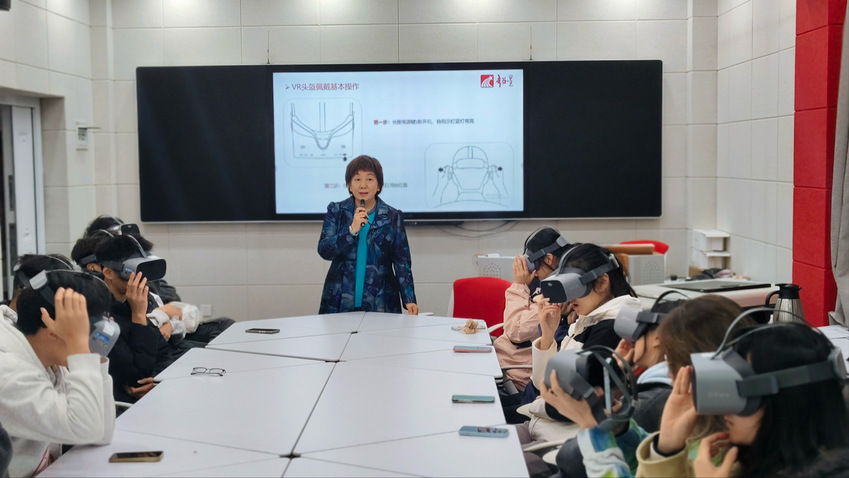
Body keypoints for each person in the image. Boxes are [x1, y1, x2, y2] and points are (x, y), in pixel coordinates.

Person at [547, 295, 748, 477]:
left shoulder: (717, 456)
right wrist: (624, 430)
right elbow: (643, 467)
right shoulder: (705, 430)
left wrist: (593, 428)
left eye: (672, 362)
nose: (669, 373)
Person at [516, 243, 641, 476]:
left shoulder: (612, 328)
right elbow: (542, 384)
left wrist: (535, 405)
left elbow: (567, 403)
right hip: (541, 426)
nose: (569, 298)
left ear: (602, 282)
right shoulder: (588, 319)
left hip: (560, 441)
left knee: (491, 461)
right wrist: (548, 334)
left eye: (575, 287)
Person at [0, 270, 115, 477]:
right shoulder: (8, 373)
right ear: (52, 330)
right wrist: (79, 349)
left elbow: (100, 434)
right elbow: (86, 428)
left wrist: (94, 356)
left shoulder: (50, 357)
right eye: (84, 330)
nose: (90, 339)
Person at [317, 155, 418, 315]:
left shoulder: (392, 217)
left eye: (369, 179)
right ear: (349, 185)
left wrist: (409, 298)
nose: (363, 185)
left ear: (379, 186)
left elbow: (402, 262)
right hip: (340, 298)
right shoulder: (336, 211)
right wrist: (351, 230)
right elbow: (325, 250)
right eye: (357, 179)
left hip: (381, 299)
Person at [495, 227, 570, 396]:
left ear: (549, 259)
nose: (532, 270)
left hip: (513, 374)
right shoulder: (541, 282)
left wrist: (519, 285)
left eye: (532, 262)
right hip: (502, 360)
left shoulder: (559, 291)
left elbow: (516, 331)